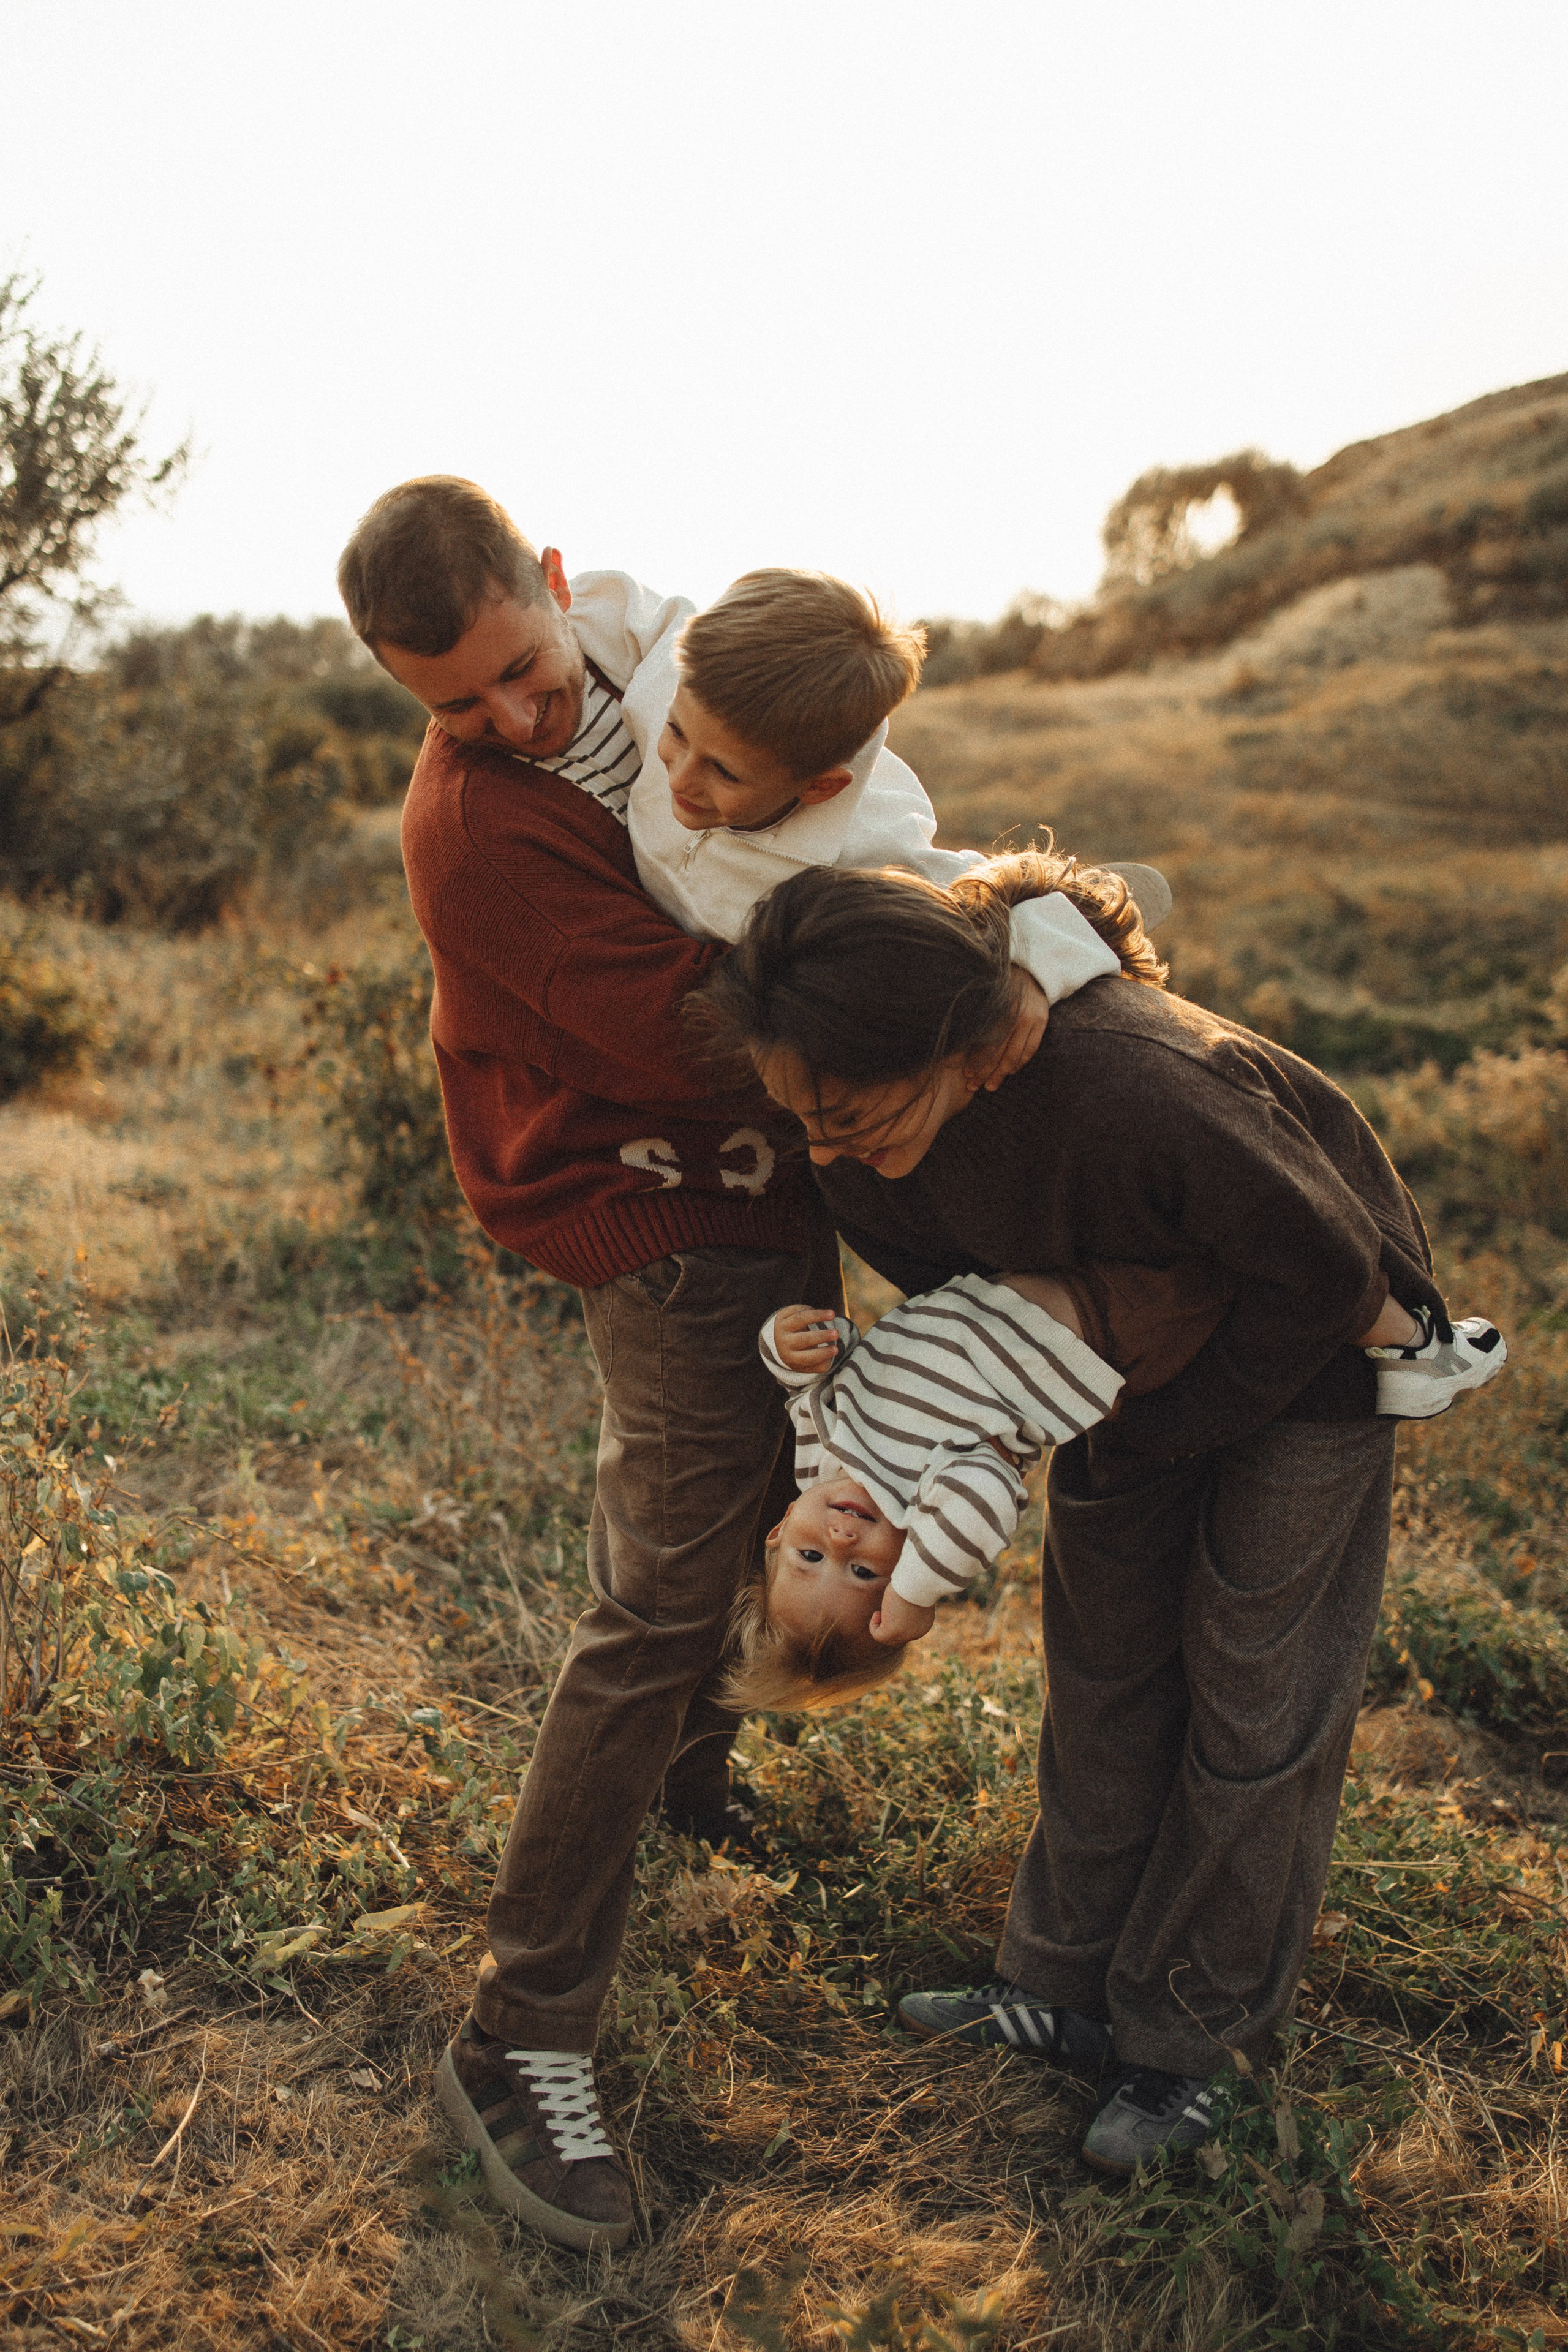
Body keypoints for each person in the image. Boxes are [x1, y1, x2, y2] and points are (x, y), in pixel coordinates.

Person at [332, 478, 1125, 2250]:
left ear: (555, 587)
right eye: (458, 709)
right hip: (660, 1211)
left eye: (528, 678)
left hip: (761, 1192)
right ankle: (522, 2033)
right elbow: (706, 1038)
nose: (519, 725)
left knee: (769, 1487)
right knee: (667, 1593)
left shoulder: (657, 662)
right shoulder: (477, 831)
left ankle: (694, 1791)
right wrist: (919, 984)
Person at [694, 846, 1506, 2177]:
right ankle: (1057, 1990)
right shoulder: (854, 1148)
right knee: (1107, 1668)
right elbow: (963, 1283)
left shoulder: (1135, 1090)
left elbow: (1316, 1266)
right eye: (801, 1116)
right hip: (1107, 1371)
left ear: (972, 1046)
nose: (824, 1149)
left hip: (1305, 1354)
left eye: (847, 1110)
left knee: (1251, 1694)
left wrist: (1150, 1417)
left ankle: (1192, 2050)